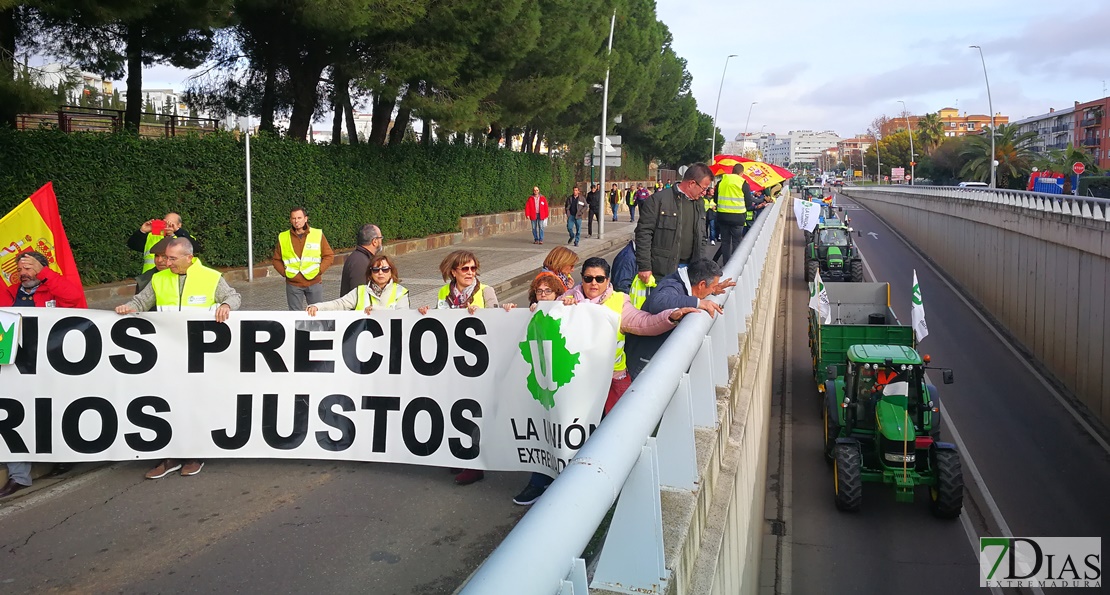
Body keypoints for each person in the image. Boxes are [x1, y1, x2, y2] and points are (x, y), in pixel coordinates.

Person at [115, 238, 242, 479]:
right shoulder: (159, 278)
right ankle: (170, 455)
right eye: (165, 257)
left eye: (172, 258)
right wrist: (128, 307)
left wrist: (226, 305)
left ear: (189, 258)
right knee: (168, 404)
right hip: (170, 355)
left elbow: (234, 297)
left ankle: (195, 454)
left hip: (201, 355)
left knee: (195, 403)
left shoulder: (211, 277)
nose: (166, 262)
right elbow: (142, 301)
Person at [562, 257, 698, 414]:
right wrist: (536, 308)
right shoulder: (567, 300)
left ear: (608, 280)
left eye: (599, 279)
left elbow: (645, 322)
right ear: (582, 278)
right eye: (588, 278)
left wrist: (671, 315)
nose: (594, 283)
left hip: (613, 378)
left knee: (617, 420)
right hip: (577, 378)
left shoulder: (619, 301)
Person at [0, 251, 86, 497]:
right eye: (20, 269)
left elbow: (74, 297)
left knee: (52, 411)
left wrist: (45, 273)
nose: (24, 273)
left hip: (52, 366)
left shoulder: (54, 290)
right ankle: (19, 476)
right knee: (12, 414)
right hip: (14, 366)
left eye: (30, 268)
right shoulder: (10, 291)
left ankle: (64, 456)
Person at [418, 250, 503, 486]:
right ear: (453, 271)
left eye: (473, 268)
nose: (470, 273)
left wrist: (484, 314)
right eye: (465, 269)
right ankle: (459, 452)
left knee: (472, 411)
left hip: (478, 364)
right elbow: (439, 320)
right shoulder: (444, 292)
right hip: (451, 362)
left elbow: (497, 319)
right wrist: (426, 313)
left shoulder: (486, 291)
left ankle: (474, 464)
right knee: (453, 409)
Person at [511, 275, 569, 506]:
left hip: (563, 382)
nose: (543, 295)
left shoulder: (569, 312)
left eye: (548, 291)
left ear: (558, 294)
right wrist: (509, 312)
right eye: (539, 291)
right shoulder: (530, 316)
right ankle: (539, 481)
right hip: (539, 385)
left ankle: (563, 479)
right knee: (543, 430)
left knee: (562, 428)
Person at [626, 259, 734, 379]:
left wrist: (712, 292)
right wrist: (698, 302)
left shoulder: (681, 280)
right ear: (702, 284)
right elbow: (658, 302)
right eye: (712, 287)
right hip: (643, 359)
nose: (713, 290)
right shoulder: (673, 286)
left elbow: (689, 295)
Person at [634, 164, 710, 283]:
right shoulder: (658, 200)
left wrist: (702, 268)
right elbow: (643, 234)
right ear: (692, 183)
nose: (704, 193)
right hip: (663, 271)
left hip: (690, 271)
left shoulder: (699, 204)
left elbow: (702, 237)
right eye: (704, 188)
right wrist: (644, 266)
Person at [273, 206, 335, 311]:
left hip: (314, 282)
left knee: (317, 315)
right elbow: (276, 259)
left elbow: (328, 255)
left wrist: (319, 271)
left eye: (299, 218)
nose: (296, 221)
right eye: (293, 218)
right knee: (295, 317)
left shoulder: (317, 234)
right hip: (293, 284)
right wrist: (285, 273)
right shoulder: (283, 237)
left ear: (305, 218)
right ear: (290, 220)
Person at [308, 254, 408, 314]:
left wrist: (377, 310)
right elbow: (339, 304)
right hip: (364, 341)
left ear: (391, 271)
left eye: (385, 269)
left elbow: (403, 316)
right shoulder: (360, 291)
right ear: (370, 273)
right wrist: (318, 307)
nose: (380, 273)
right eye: (376, 270)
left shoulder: (400, 292)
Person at [127, 212, 198, 274]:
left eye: (171, 224)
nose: (167, 227)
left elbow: (196, 248)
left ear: (179, 225)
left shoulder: (184, 238)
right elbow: (132, 245)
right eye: (165, 223)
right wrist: (142, 231)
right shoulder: (152, 236)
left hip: (173, 278)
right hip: (149, 278)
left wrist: (177, 231)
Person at [713, 163, 754, 264]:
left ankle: (726, 264)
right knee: (736, 242)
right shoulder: (743, 183)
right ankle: (735, 264)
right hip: (738, 217)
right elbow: (748, 203)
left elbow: (715, 199)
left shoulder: (721, 181)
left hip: (722, 216)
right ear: (741, 173)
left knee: (725, 242)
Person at [340, 224, 383, 297]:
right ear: (374, 241)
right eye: (380, 238)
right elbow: (360, 295)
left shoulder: (361, 257)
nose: (382, 240)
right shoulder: (360, 263)